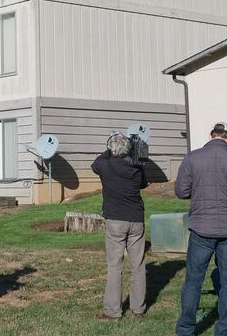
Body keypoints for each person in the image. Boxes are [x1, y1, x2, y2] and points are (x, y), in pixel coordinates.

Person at [174, 122, 227, 336]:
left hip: (201, 228)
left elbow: (181, 192)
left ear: (210, 136)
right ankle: (224, 330)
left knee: (193, 280)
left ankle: (185, 329)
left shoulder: (192, 158)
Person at [92, 132, 147, 319]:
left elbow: (95, 163)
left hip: (115, 220)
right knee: (138, 265)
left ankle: (113, 311)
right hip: (136, 219)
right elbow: (143, 184)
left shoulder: (105, 165)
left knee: (115, 266)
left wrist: (109, 148)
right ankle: (138, 308)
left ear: (111, 148)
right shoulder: (136, 167)